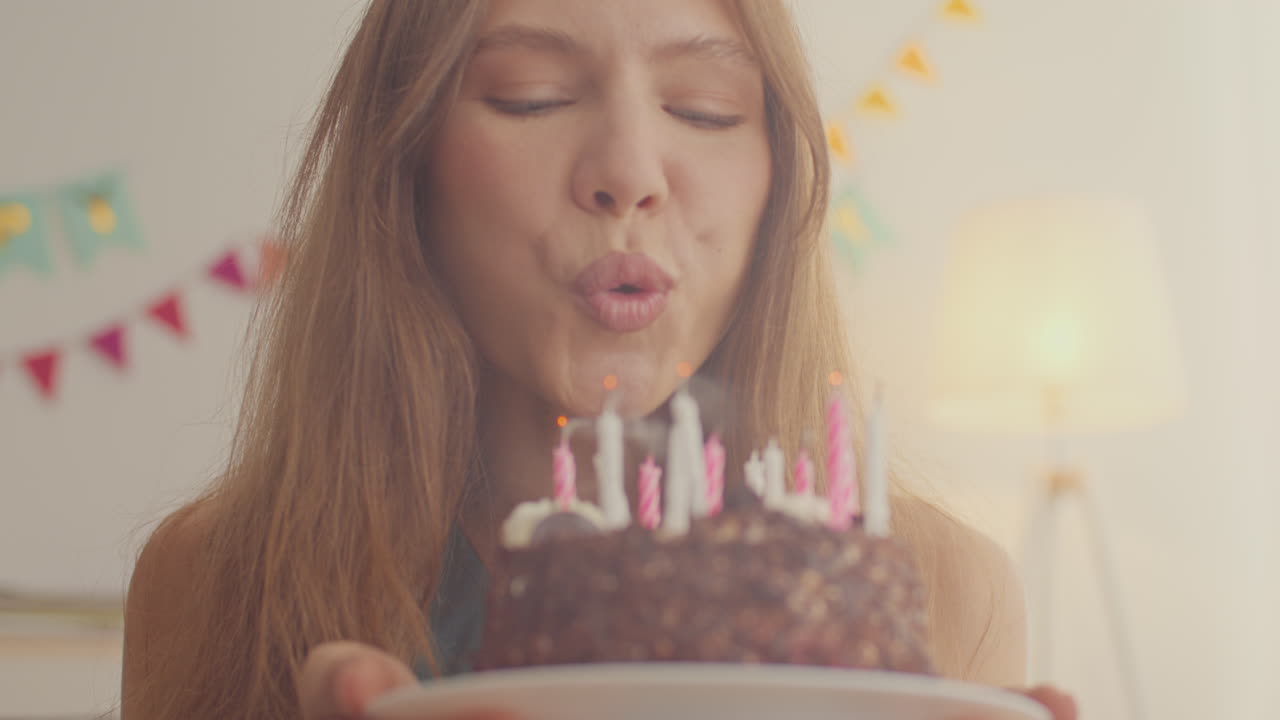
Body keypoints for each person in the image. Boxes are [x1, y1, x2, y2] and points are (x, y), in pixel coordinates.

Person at [121, 1, 1077, 718]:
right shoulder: (216, 580)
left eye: (704, 110)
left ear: (779, 178)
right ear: (405, 162)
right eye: (529, 97)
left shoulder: (941, 591)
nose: (628, 171)